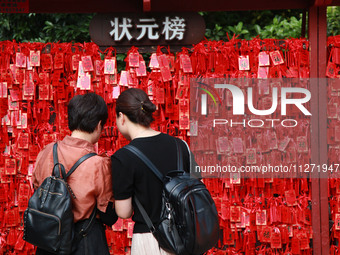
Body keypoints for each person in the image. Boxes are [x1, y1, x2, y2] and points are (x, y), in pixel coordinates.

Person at [32, 92, 117, 255]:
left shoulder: (46, 151)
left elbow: (37, 191)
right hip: (84, 243)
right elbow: (108, 216)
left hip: (48, 243)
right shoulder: (98, 163)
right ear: (99, 125)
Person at [111, 88, 192, 255]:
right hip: (183, 238)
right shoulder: (181, 146)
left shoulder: (123, 157)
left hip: (150, 239)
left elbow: (123, 211)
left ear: (122, 117)